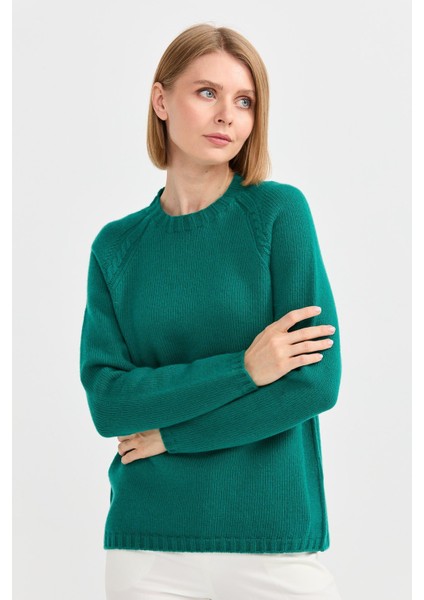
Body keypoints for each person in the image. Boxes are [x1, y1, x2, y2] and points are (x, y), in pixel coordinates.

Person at [80, 22, 343, 600]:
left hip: (273, 544)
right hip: (149, 548)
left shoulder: (278, 214)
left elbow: (314, 385)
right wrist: (245, 369)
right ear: (161, 101)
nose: (227, 115)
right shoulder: (116, 248)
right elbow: (110, 403)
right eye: (207, 93)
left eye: (244, 101)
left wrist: (171, 435)